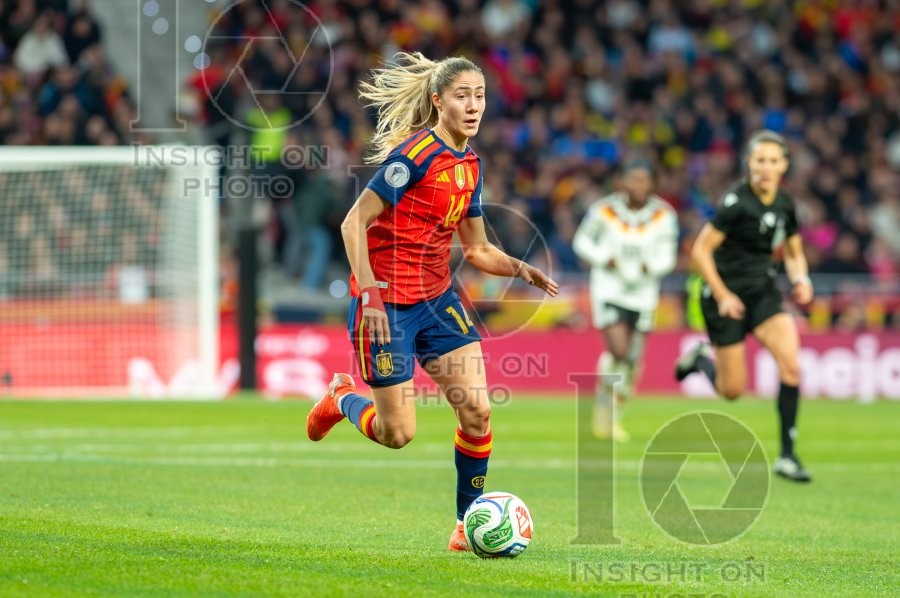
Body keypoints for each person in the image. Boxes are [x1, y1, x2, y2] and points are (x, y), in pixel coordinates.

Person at [305, 52, 558, 551]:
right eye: (462, 96)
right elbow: (352, 223)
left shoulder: (470, 165)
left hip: (437, 299)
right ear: (439, 101)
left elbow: (479, 249)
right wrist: (371, 296)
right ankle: (340, 398)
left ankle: (468, 524)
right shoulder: (413, 158)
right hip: (385, 307)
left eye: (480, 96)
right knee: (397, 433)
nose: (473, 106)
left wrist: (519, 267)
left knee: (479, 412)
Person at [675, 130, 814, 482]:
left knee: (791, 367)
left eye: (773, 161)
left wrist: (801, 279)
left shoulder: (784, 204)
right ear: (749, 164)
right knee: (732, 391)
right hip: (724, 297)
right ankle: (700, 360)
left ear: (784, 165)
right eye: (759, 160)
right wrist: (722, 294)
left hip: (763, 293)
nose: (765, 167)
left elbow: (795, 252)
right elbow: (701, 250)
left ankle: (787, 456)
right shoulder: (736, 202)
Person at [573, 159, 678, 441]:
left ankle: (614, 416)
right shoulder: (603, 210)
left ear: (652, 183)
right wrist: (602, 259)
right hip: (610, 288)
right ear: (623, 182)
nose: (638, 186)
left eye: (644, 180)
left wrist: (652, 268)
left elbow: (668, 254)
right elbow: (581, 242)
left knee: (632, 359)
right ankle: (604, 411)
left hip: (644, 293)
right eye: (633, 179)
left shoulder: (664, 215)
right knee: (618, 351)